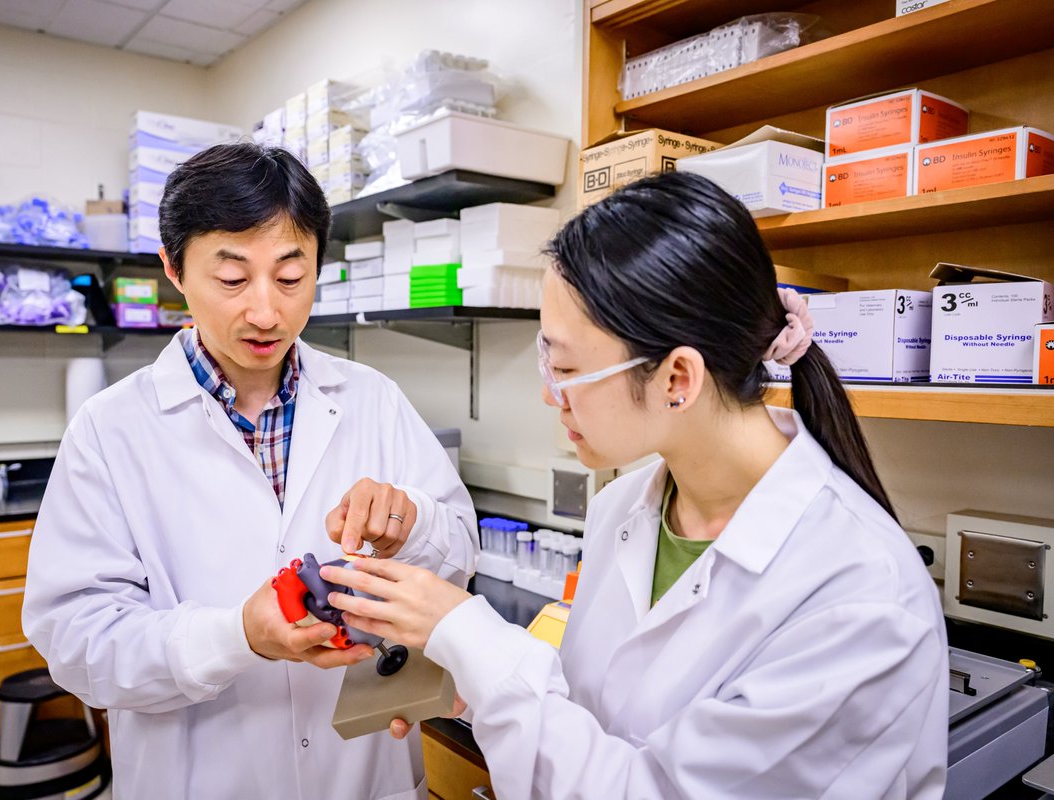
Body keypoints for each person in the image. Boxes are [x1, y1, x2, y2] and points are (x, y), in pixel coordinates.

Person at [322, 172, 948, 799]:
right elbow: (591, 720)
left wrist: (480, 644)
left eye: (564, 367)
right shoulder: (625, 506)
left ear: (678, 377)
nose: (548, 394)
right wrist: (478, 686)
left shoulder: (861, 597)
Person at [22, 142, 478, 799]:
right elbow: (77, 642)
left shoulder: (372, 398)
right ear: (173, 269)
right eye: (233, 279)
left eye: (291, 278)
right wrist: (240, 636)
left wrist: (414, 523)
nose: (266, 312)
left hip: (361, 776)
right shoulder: (109, 431)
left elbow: (460, 550)